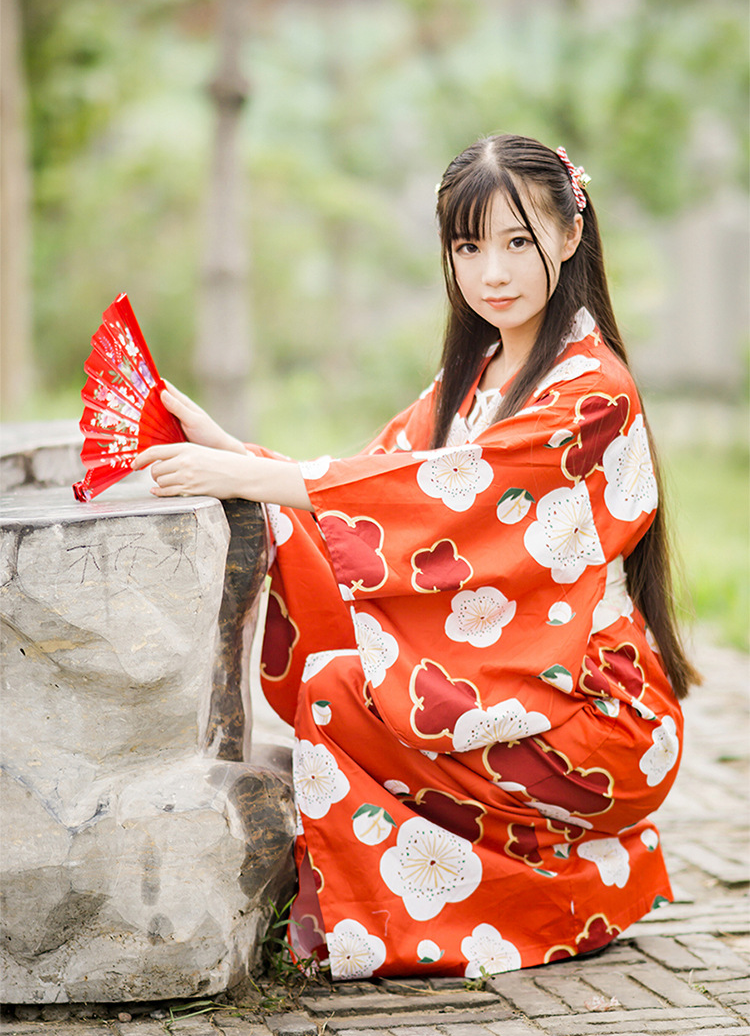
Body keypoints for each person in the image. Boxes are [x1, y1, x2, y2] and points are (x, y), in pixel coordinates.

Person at [134, 134, 699, 980]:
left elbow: (436, 498)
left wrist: (245, 472)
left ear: (572, 235)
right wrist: (229, 451)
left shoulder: (590, 390)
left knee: (334, 689)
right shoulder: (476, 377)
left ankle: (457, 905)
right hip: (533, 697)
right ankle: (576, 881)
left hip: (597, 714)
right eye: (468, 247)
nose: (492, 272)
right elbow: (378, 488)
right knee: (342, 682)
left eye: (518, 240)